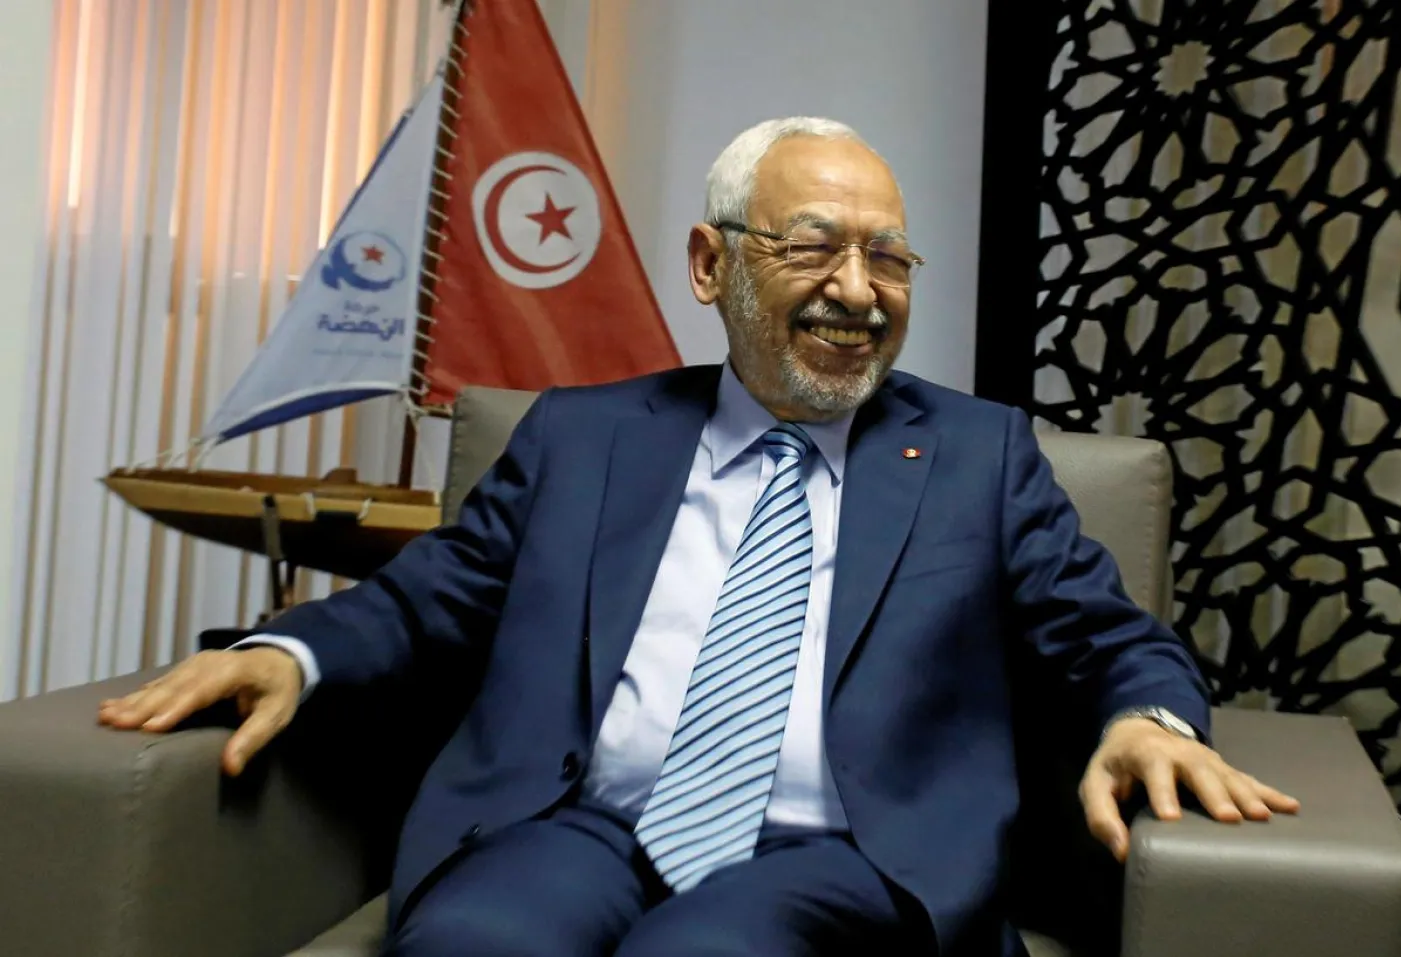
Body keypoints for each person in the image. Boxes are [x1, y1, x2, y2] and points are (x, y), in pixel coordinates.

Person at [98, 117, 1298, 957]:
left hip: (847, 859)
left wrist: (1149, 718)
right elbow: (432, 600)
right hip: (577, 827)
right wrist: (290, 654)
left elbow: (1105, 634)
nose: (858, 287)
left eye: (887, 255)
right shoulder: (583, 437)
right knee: (473, 942)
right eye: (813, 245)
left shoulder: (979, 458)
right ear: (712, 264)